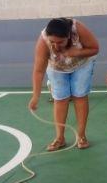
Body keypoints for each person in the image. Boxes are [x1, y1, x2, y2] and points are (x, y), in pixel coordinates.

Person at [31, 16, 100, 149]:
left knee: (80, 95)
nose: (56, 46)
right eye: (52, 42)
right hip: (56, 67)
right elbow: (38, 71)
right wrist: (35, 96)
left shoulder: (77, 29)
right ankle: (59, 138)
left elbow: (95, 48)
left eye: (60, 42)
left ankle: (81, 136)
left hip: (82, 64)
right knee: (60, 98)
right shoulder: (43, 41)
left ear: (68, 36)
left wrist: (77, 52)